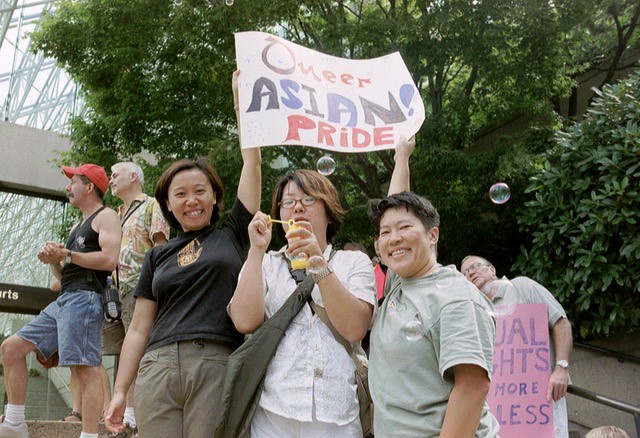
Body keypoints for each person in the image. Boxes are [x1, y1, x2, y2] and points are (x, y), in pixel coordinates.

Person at [104, 71, 262, 438]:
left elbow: (251, 164)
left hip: (216, 362)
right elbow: (139, 328)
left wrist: (242, 103)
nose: (191, 200)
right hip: (157, 367)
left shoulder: (233, 233)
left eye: (200, 191)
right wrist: (119, 390)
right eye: (180, 194)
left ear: (215, 197)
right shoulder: (156, 257)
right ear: (168, 205)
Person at [229, 169, 377, 437]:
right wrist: (255, 251)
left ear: (329, 212)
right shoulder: (265, 262)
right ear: (279, 215)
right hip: (272, 411)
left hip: (337, 414)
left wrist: (318, 262)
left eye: (309, 199)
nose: (297, 207)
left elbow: (355, 329)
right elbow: (243, 321)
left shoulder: (352, 262)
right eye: (288, 201)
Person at [1, 163, 121, 438]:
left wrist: (66, 254)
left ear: (89, 187)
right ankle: (16, 422)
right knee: (11, 349)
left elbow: (109, 259)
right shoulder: (78, 225)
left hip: (86, 298)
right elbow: (64, 273)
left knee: (86, 368)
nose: (68, 187)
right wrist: (53, 260)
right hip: (66, 298)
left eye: (73, 182)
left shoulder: (106, 216)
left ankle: (89, 435)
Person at [368, 192, 499, 437]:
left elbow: (473, 386)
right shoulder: (401, 281)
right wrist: (401, 157)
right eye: (385, 232)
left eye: (404, 227)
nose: (394, 238)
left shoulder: (456, 299)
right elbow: (396, 196)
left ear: (433, 235)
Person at [460, 255, 573, 438]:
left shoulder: (523, 287)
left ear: (492, 270)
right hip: (501, 407)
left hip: (543, 397)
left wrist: (562, 367)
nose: (471, 272)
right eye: (465, 273)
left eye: (476, 266)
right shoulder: (476, 313)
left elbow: (561, 322)